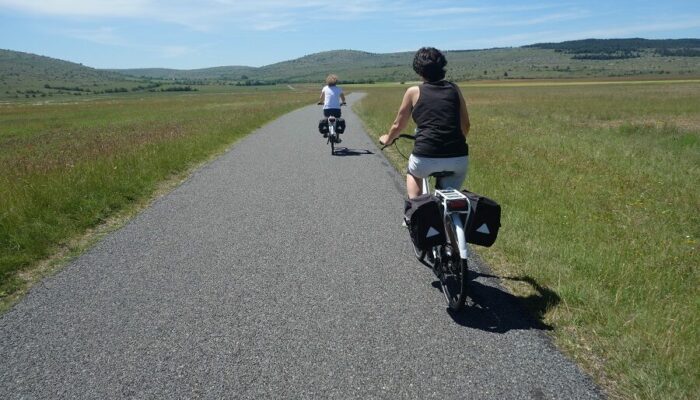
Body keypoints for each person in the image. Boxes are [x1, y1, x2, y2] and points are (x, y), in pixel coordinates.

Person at [379, 47, 470, 199]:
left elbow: (398, 126)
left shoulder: (413, 91)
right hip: (458, 156)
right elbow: (466, 125)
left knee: (413, 173)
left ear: (419, 71)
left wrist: (387, 139)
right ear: (442, 66)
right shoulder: (454, 88)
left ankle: (413, 212)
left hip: (425, 156)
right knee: (449, 198)